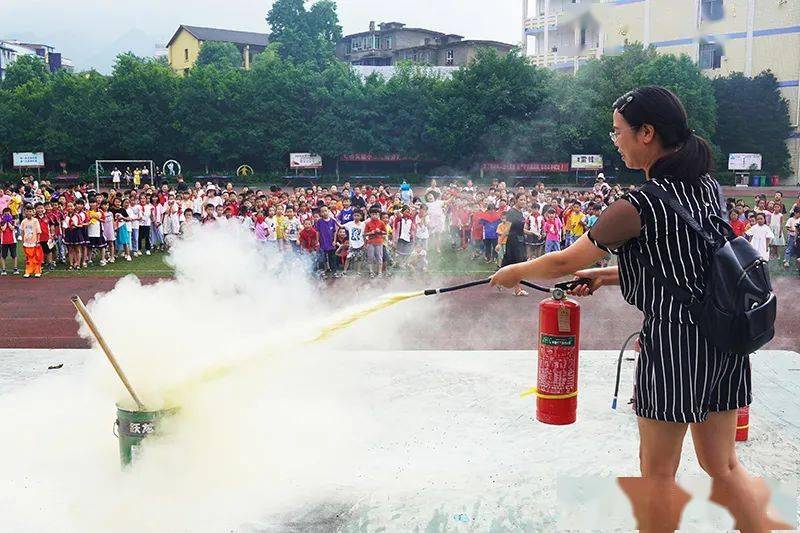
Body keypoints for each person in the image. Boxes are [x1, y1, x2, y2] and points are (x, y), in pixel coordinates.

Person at [491, 86, 772, 531]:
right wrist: (607, 275)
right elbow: (695, 269)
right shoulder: (706, 186)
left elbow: (565, 260)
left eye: (618, 131)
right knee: (723, 467)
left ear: (646, 133)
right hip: (725, 338)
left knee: (657, 474)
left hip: (677, 343)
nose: (614, 139)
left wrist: (515, 269)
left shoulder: (637, 205)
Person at [499, 195, 529, 296]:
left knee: (509, 263)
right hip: (513, 242)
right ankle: (517, 289)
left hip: (520, 241)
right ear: (516, 200)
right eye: (521, 200)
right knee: (517, 265)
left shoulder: (521, 213)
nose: (523, 201)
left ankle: (498, 280)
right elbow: (507, 229)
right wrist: (499, 243)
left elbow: (520, 229)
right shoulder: (511, 212)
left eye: (524, 200)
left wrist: (532, 233)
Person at [20, 204, 43, 278]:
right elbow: (23, 231)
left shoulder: (35, 221)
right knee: (28, 258)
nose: (29, 213)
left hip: (34, 242)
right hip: (27, 242)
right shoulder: (23, 221)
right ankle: (28, 271)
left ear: (33, 212)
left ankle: (37, 271)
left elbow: (38, 232)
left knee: (36, 257)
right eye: (27, 211)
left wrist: (38, 241)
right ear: (25, 212)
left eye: (30, 211)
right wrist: (23, 241)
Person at [364, 208, 386, 278]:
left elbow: (385, 232)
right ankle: (371, 272)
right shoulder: (368, 223)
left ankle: (379, 272)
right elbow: (364, 234)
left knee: (379, 257)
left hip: (379, 242)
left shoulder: (381, 222)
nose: (374, 216)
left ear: (378, 214)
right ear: (370, 214)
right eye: (373, 214)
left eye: (376, 214)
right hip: (370, 242)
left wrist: (380, 231)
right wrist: (371, 232)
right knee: (370, 257)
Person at [0, 208, 19, 275]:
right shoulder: (1, 222)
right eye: (5, 214)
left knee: (14, 255)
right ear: (3, 215)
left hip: (12, 241)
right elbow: (3, 229)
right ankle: (4, 269)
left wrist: (9, 221)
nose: (7, 215)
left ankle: (15, 268)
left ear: (11, 214)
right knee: (3, 256)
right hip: (4, 242)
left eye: (8, 214)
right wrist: (5, 221)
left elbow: (12, 228)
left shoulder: (13, 221)